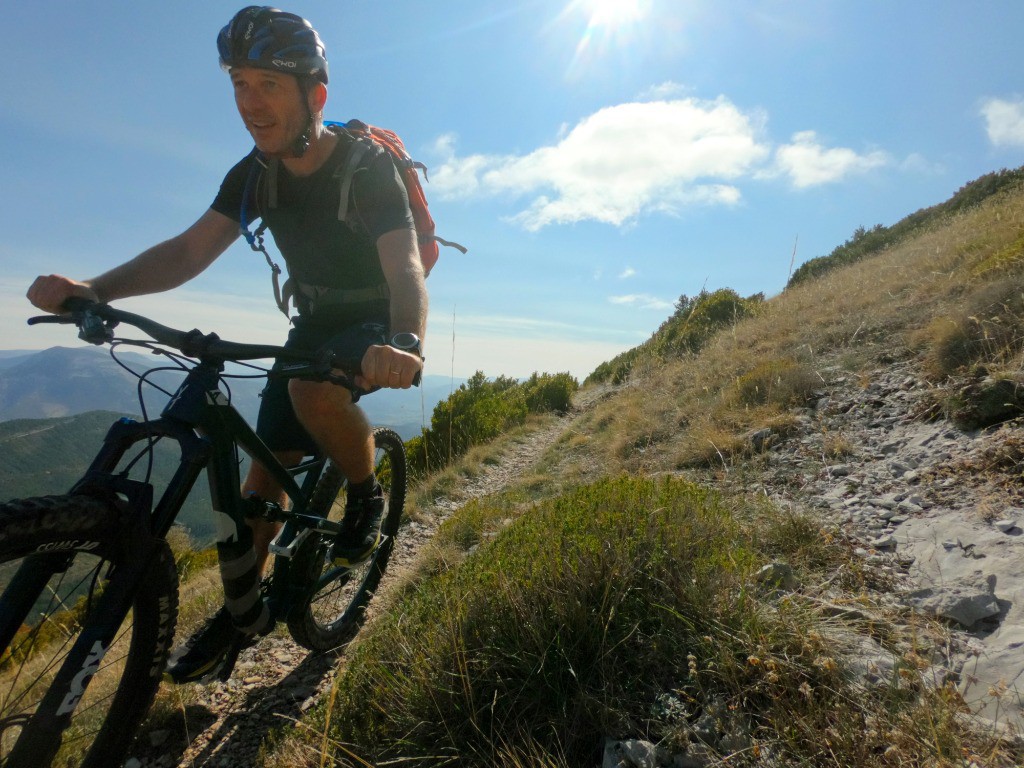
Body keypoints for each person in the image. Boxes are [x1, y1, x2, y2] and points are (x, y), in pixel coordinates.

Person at [26, 6, 427, 682]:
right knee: (263, 476)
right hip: (313, 320)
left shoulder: (365, 169)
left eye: (268, 84)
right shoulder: (255, 173)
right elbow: (188, 250)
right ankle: (241, 613)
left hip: (374, 319)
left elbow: (405, 265)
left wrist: (404, 340)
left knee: (309, 390)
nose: (249, 103)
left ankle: (364, 495)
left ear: (315, 95)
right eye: (239, 83)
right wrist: (95, 289)